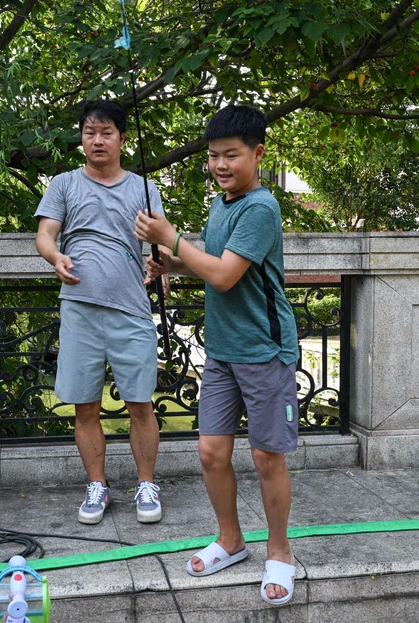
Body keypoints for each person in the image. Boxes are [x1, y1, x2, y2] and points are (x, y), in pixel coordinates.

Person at [134, 105, 299, 605]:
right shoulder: (222, 204)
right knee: (210, 452)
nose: (221, 165)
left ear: (258, 154)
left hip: (265, 350)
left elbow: (226, 276)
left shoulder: (261, 207)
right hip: (224, 352)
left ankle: (280, 552)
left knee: (267, 457)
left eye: (232, 155)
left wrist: (171, 239)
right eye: (213, 156)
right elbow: (215, 262)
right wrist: (171, 266)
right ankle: (231, 540)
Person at [34, 99, 165, 525]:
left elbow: (161, 244)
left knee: (140, 403)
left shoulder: (145, 188)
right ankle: (97, 485)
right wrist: (55, 258)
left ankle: (146, 483)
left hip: (131, 310)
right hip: (79, 311)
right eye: (90, 132)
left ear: (122, 139)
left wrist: (160, 266)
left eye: (106, 132)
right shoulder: (64, 184)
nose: (97, 140)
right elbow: (45, 234)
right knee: (85, 406)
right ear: (82, 139)